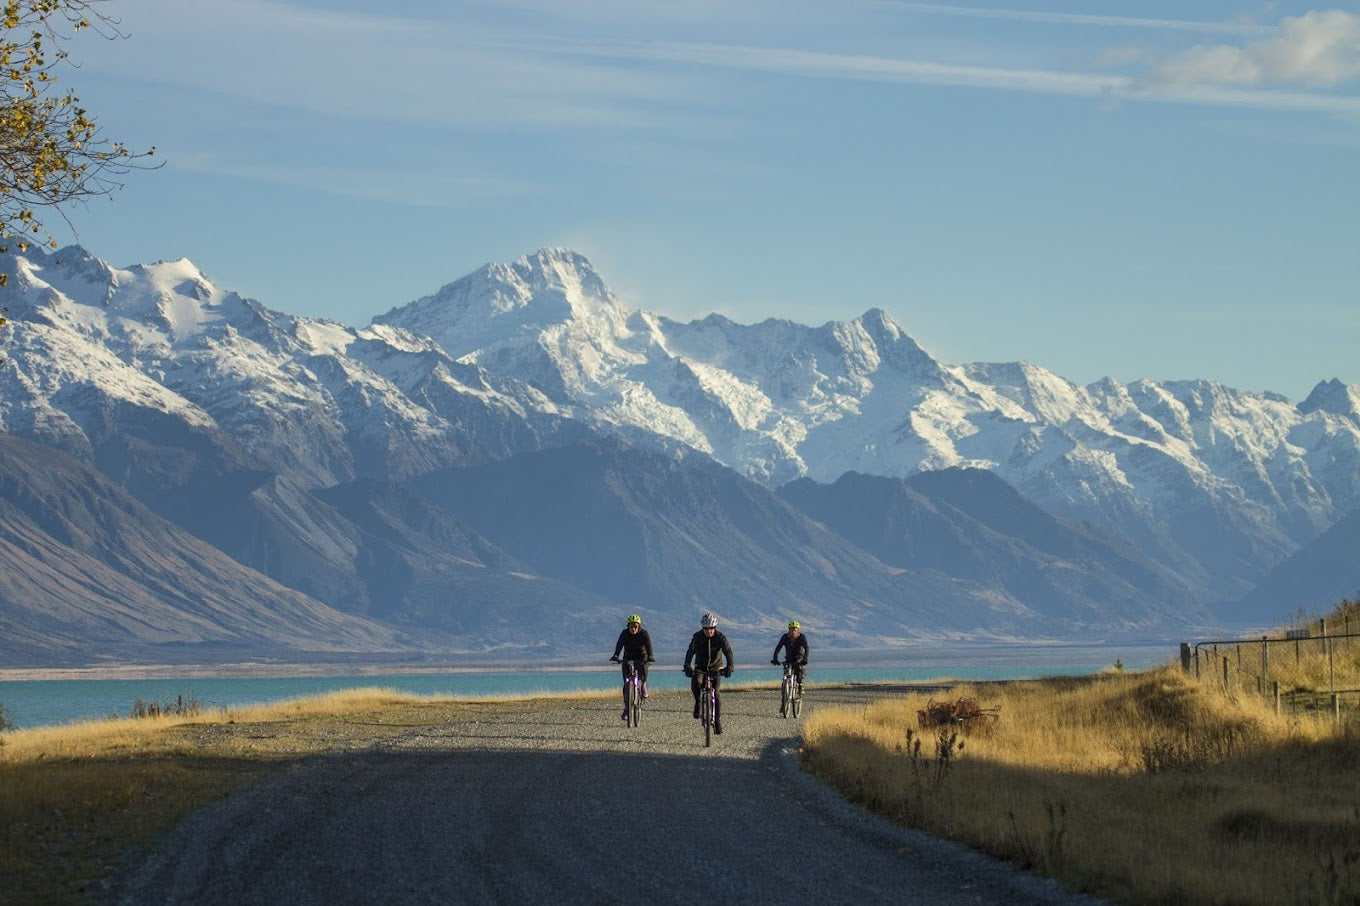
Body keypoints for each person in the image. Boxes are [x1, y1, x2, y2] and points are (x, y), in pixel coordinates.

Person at [683, 612, 734, 734]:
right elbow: (690, 651)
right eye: (706, 629)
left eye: (711, 628)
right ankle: (698, 702)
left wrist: (730, 665)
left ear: (715, 628)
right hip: (700, 667)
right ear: (703, 628)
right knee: (696, 683)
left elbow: (728, 651)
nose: (709, 631)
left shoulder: (720, 637)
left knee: (716, 693)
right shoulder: (697, 637)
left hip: (716, 668)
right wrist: (687, 665)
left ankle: (717, 721)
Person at [610, 613, 654, 720]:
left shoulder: (644, 633)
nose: (633, 629)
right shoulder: (624, 634)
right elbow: (619, 645)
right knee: (626, 683)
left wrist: (650, 656)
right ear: (628, 626)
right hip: (628, 658)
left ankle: (643, 685)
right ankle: (627, 708)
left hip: (641, 657)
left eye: (635, 626)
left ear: (639, 626)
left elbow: (648, 646)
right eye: (631, 627)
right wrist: (616, 655)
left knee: (644, 667)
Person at [771, 620, 809, 688]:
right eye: (791, 630)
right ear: (789, 630)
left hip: (799, 657)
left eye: (795, 630)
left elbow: (806, 648)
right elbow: (778, 647)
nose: (793, 632)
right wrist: (775, 658)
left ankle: (800, 685)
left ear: (798, 630)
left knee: (798, 669)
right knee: (787, 670)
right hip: (789, 657)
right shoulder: (785, 637)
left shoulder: (801, 637)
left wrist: (805, 658)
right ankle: (786, 686)